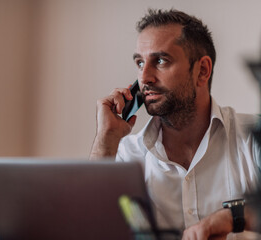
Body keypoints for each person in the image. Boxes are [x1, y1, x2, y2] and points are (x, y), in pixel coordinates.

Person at [89, 9, 260, 239]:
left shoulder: (252, 137)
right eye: (140, 63)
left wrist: (230, 218)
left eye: (160, 60)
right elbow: (88, 228)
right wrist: (106, 139)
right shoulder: (125, 156)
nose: (145, 78)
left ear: (202, 70)